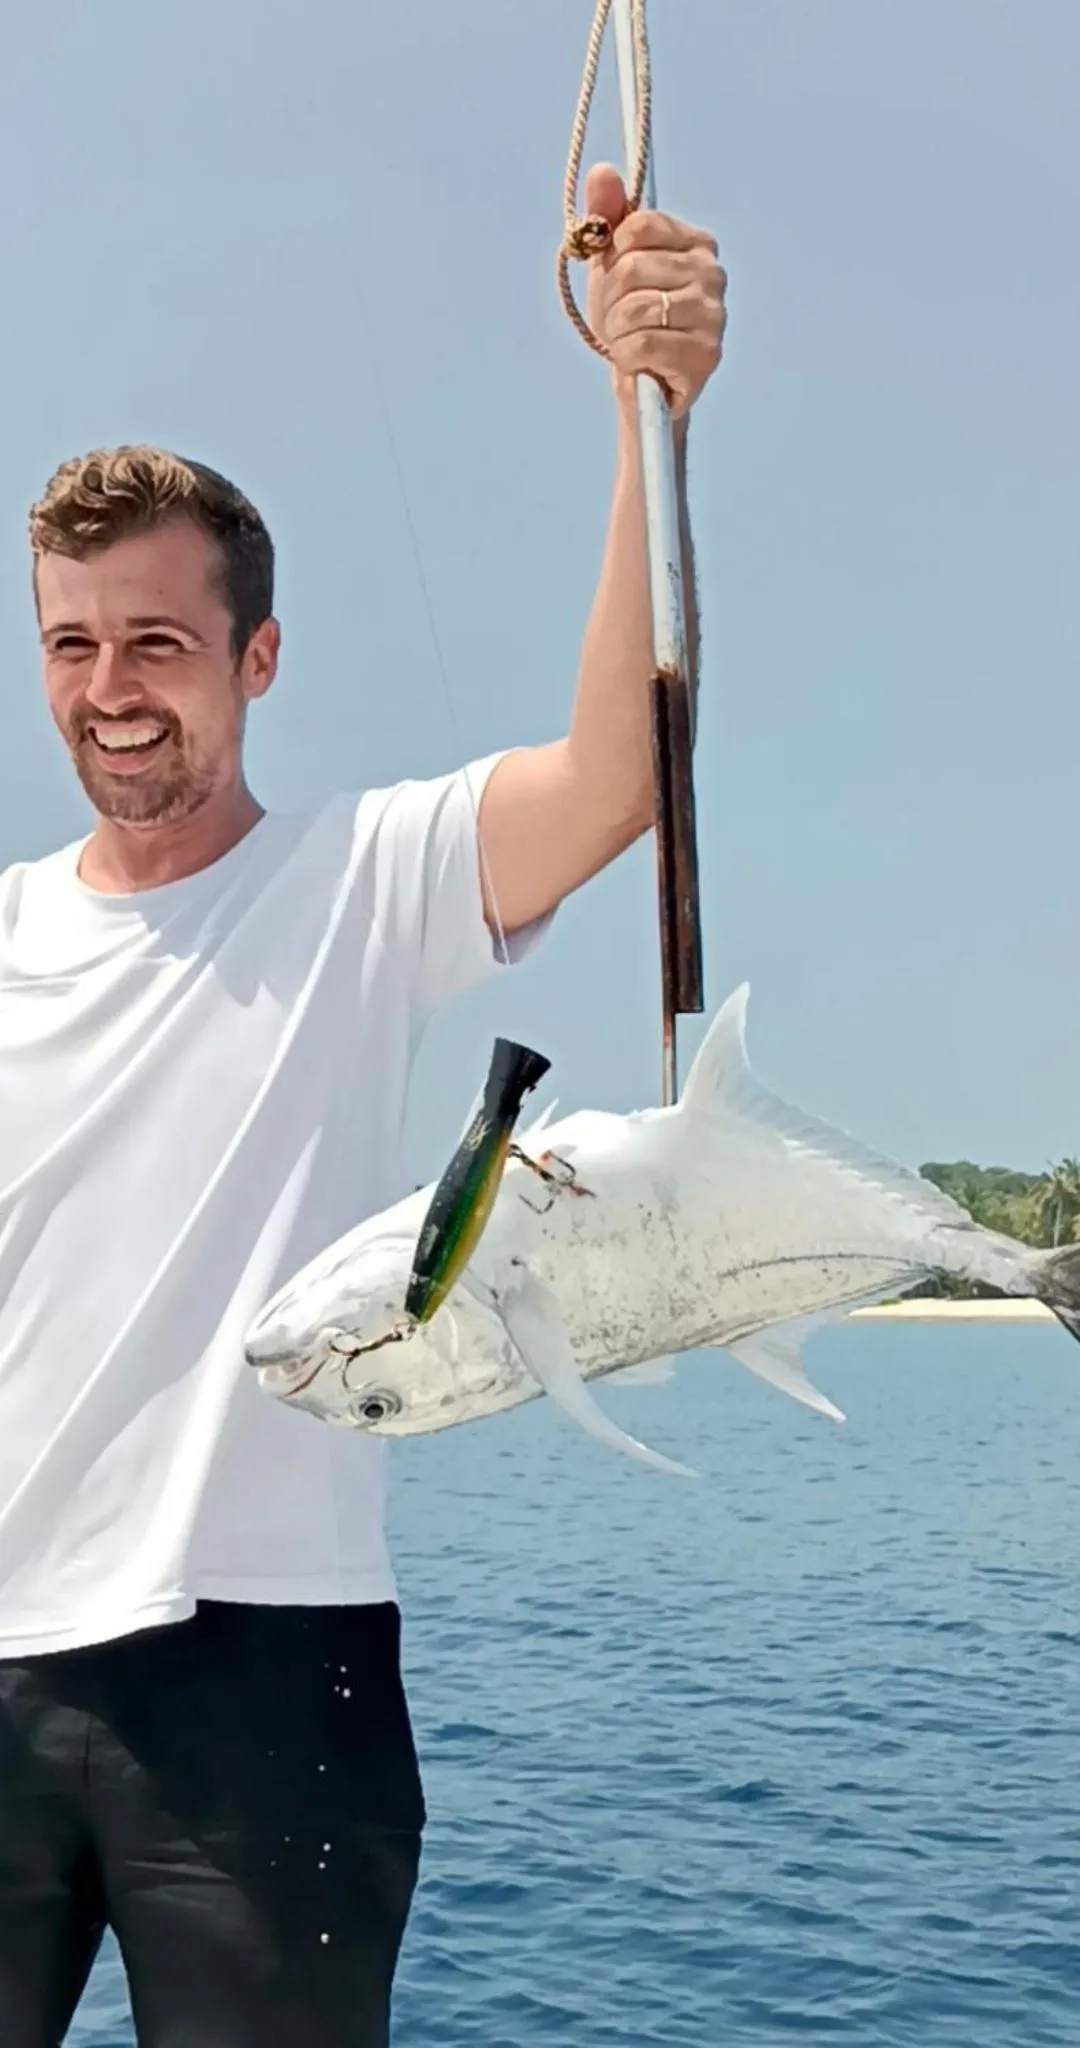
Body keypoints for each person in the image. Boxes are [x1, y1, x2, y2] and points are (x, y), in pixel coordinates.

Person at [0, 163, 725, 2047]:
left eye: (158, 642)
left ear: (257, 657)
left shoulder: (361, 877)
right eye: (71, 644)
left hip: (265, 1675)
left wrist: (645, 410)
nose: (110, 689)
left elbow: (617, 774)